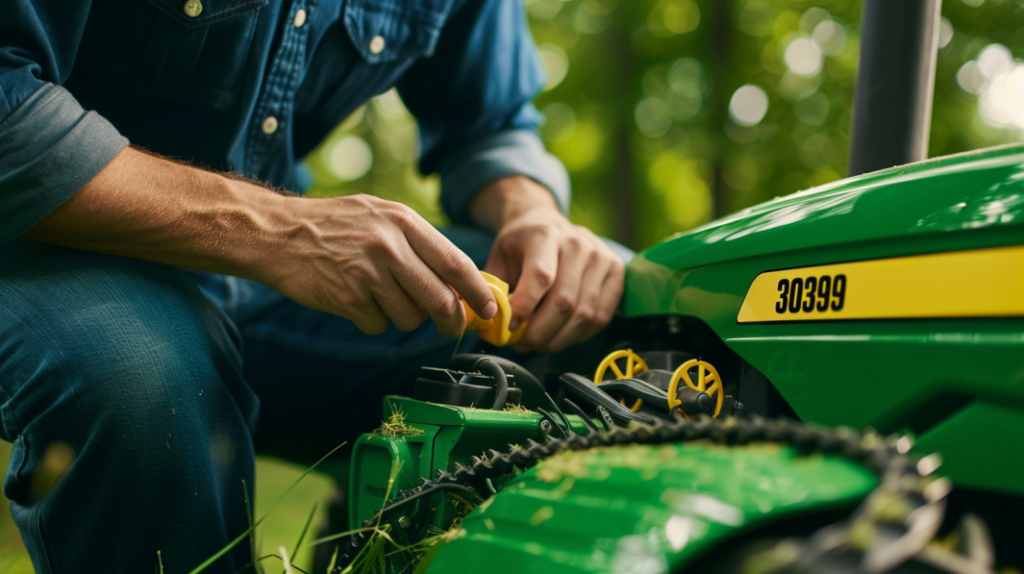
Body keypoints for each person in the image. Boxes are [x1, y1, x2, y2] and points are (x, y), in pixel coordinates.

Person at [0, 0, 626, 572]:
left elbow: (492, 124)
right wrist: (280, 232)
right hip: (32, 250)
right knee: (137, 372)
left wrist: (532, 213)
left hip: (253, 283)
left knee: (611, 317)